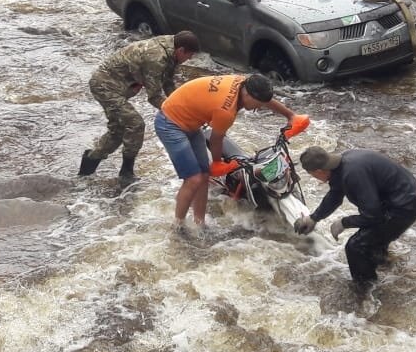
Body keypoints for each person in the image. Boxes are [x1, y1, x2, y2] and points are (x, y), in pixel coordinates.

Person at [154, 73, 309, 228]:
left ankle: (199, 222)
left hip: (191, 121)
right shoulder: (226, 110)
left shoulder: (245, 82)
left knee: (204, 174)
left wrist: (290, 116)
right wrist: (217, 163)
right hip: (170, 124)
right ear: (247, 94)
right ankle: (178, 226)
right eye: (258, 104)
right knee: (194, 179)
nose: (259, 108)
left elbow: (266, 99)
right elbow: (216, 139)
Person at [79, 31, 201, 183]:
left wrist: (183, 105)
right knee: (135, 124)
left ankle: (87, 168)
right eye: (189, 56)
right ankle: (126, 172)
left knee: (117, 131)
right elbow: (154, 96)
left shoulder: (171, 48)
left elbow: (168, 82)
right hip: (105, 85)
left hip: (119, 85)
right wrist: (177, 114)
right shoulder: (157, 57)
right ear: (181, 50)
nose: (188, 60)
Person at [293, 146, 416, 284]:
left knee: (356, 246)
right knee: (372, 241)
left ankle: (365, 289)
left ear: (319, 171)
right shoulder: (341, 164)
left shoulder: (352, 174)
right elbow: (335, 195)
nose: (315, 178)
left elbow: (373, 215)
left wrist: (344, 223)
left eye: (312, 174)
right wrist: (314, 218)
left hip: (404, 207)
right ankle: (385, 265)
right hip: (397, 200)